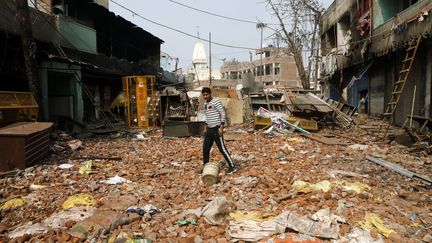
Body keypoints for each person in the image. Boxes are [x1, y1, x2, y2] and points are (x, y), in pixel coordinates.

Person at [201, 87, 237, 174]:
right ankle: (206, 168)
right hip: (209, 130)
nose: (205, 96)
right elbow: (208, 116)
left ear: (210, 94)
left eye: (207, 94)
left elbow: (223, 113)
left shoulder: (216, 101)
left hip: (216, 129)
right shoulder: (205, 104)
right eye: (204, 95)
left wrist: (221, 127)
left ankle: (232, 167)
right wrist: (206, 127)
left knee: (222, 149)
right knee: (205, 149)